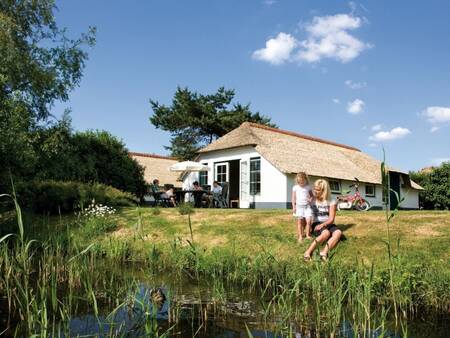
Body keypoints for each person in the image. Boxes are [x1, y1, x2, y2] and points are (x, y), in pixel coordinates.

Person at [303, 179, 342, 261]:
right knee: (326, 233)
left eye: (318, 189)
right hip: (316, 223)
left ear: (324, 190)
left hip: (328, 223)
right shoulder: (312, 200)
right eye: (315, 189)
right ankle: (308, 252)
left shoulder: (331, 201)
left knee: (338, 232)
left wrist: (323, 224)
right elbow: (306, 215)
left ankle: (324, 253)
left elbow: (331, 219)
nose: (315, 191)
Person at [292, 172, 314, 242]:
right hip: (299, 207)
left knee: (309, 221)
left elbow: (312, 196)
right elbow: (293, 198)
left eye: (302, 182)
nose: (301, 183)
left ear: (305, 180)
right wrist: (294, 207)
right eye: (299, 182)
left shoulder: (308, 187)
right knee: (300, 222)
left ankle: (308, 235)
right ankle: (300, 236)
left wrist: (310, 199)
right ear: (297, 181)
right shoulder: (295, 187)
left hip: (307, 207)